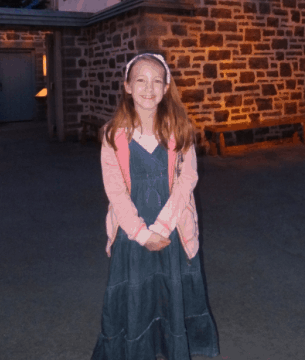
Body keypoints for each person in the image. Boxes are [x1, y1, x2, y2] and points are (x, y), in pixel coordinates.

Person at [90, 52, 220, 360]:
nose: (149, 89)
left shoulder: (181, 129)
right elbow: (115, 191)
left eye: (156, 82)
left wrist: (162, 228)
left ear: (166, 88)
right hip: (132, 234)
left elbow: (186, 180)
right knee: (137, 295)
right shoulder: (113, 135)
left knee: (170, 292)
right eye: (141, 81)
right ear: (127, 86)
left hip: (171, 228)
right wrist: (140, 233)